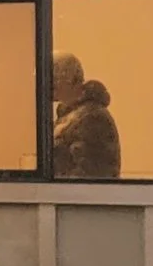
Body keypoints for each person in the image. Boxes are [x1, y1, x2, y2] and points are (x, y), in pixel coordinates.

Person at [51, 52, 121, 180]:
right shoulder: (72, 115)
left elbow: (92, 176)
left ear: (67, 79)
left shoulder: (93, 118)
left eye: (53, 79)